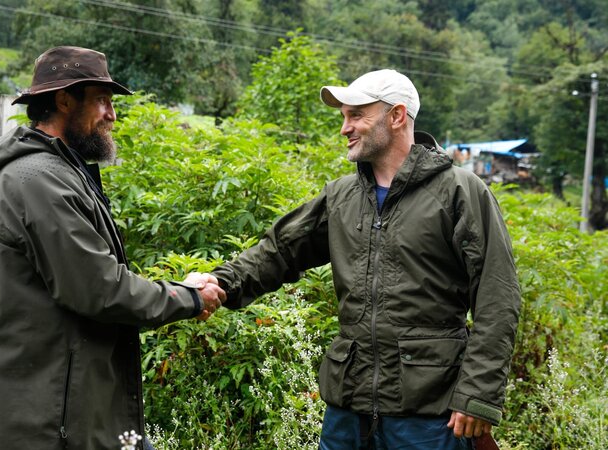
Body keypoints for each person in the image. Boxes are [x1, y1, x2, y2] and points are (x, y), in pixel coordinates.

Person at [211, 69, 521, 449]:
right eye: (344, 116)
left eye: (357, 115)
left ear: (396, 116)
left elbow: (498, 296)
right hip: (348, 409)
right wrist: (218, 284)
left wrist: (477, 395)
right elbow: (280, 251)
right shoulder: (342, 195)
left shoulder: (458, 191)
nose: (345, 128)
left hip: (428, 414)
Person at [0, 46, 226, 450]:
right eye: (102, 101)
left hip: (69, 406)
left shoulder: (61, 172)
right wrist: (188, 296)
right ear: (64, 99)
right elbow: (100, 289)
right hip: (41, 422)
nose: (112, 115)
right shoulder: (38, 180)